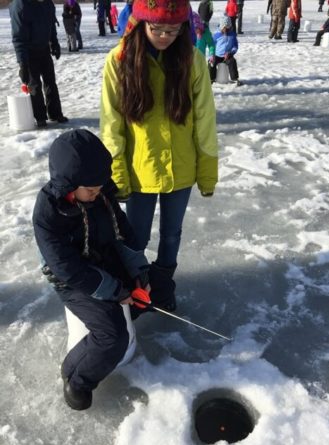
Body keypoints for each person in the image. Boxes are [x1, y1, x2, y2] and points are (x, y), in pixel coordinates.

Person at [100, 0, 218, 312]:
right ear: (141, 24)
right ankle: (138, 289)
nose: (165, 36)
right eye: (157, 29)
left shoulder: (192, 60)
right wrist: (117, 172)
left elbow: (205, 120)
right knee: (134, 238)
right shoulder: (119, 60)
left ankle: (163, 287)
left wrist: (206, 170)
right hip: (140, 171)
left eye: (173, 30)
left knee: (171, 234)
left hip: (181, 170)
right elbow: (111, 125)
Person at [32, 129, 150, 410]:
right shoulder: (49, 213)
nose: (98, 192)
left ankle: (127, 309)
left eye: (100, 185)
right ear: (69, 183)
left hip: (102, 259)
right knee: (113, 335)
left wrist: (139, 272)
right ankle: (76, 377)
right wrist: (113, 289)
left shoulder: (101, 194)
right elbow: (66, 267)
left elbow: (124, 234)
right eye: (91, 188)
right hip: (72, 279)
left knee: (145, 292)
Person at [9, 0, 68, 128]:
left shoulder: (47, 4)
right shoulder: (20, 6)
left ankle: (55, 113)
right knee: (34, 86)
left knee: (50, 82)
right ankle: (40, 117)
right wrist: (22, 63)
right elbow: (18, 37)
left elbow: (51, 23)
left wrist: (54, 42)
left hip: (44, 49)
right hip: (29, 52)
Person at [210, 15, 242, 86]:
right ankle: (211, 79)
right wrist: (211, 55)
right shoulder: (216, 35)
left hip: (227, 56)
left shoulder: (232, 35)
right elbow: (212, 46)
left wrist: (230, 53)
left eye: (228, 28)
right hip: (217, 55)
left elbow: (235, 46)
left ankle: (235, 78)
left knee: (232, 61)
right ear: (221, 27)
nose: (226, 31)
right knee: (211, 63)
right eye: (224, 29)